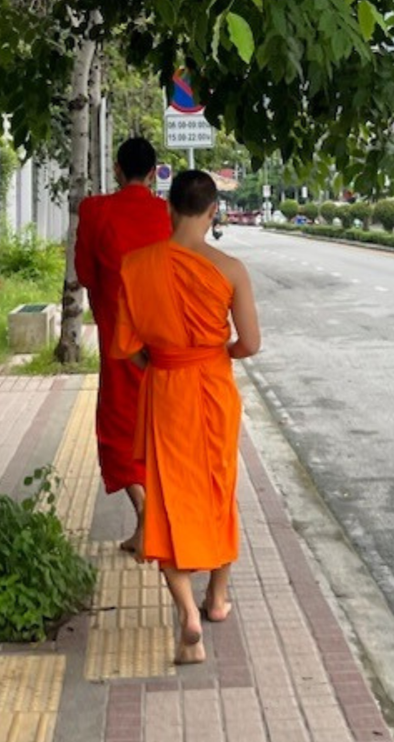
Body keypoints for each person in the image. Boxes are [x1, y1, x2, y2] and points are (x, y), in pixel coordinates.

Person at [113, 169, 262, 666]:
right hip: (214, 390)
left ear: (169, 209)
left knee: (168, 500)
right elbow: (251, 344)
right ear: (214, 211)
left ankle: (186, 614)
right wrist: (219, 352)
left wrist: (163, 363)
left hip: (167, 391)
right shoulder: (231, 268)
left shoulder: (136, 265)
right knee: (219, 489)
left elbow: (127, 348)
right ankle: (216, 600)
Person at [75, 136, 173, 554]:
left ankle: (145, 514)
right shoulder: (168, 213)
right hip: (166, 339)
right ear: (154, 173)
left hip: (120, 339)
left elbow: (84, 273)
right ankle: (166, 522)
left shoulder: (96, 211)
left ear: (117, 169)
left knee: (119, 429)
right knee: (162, 428)